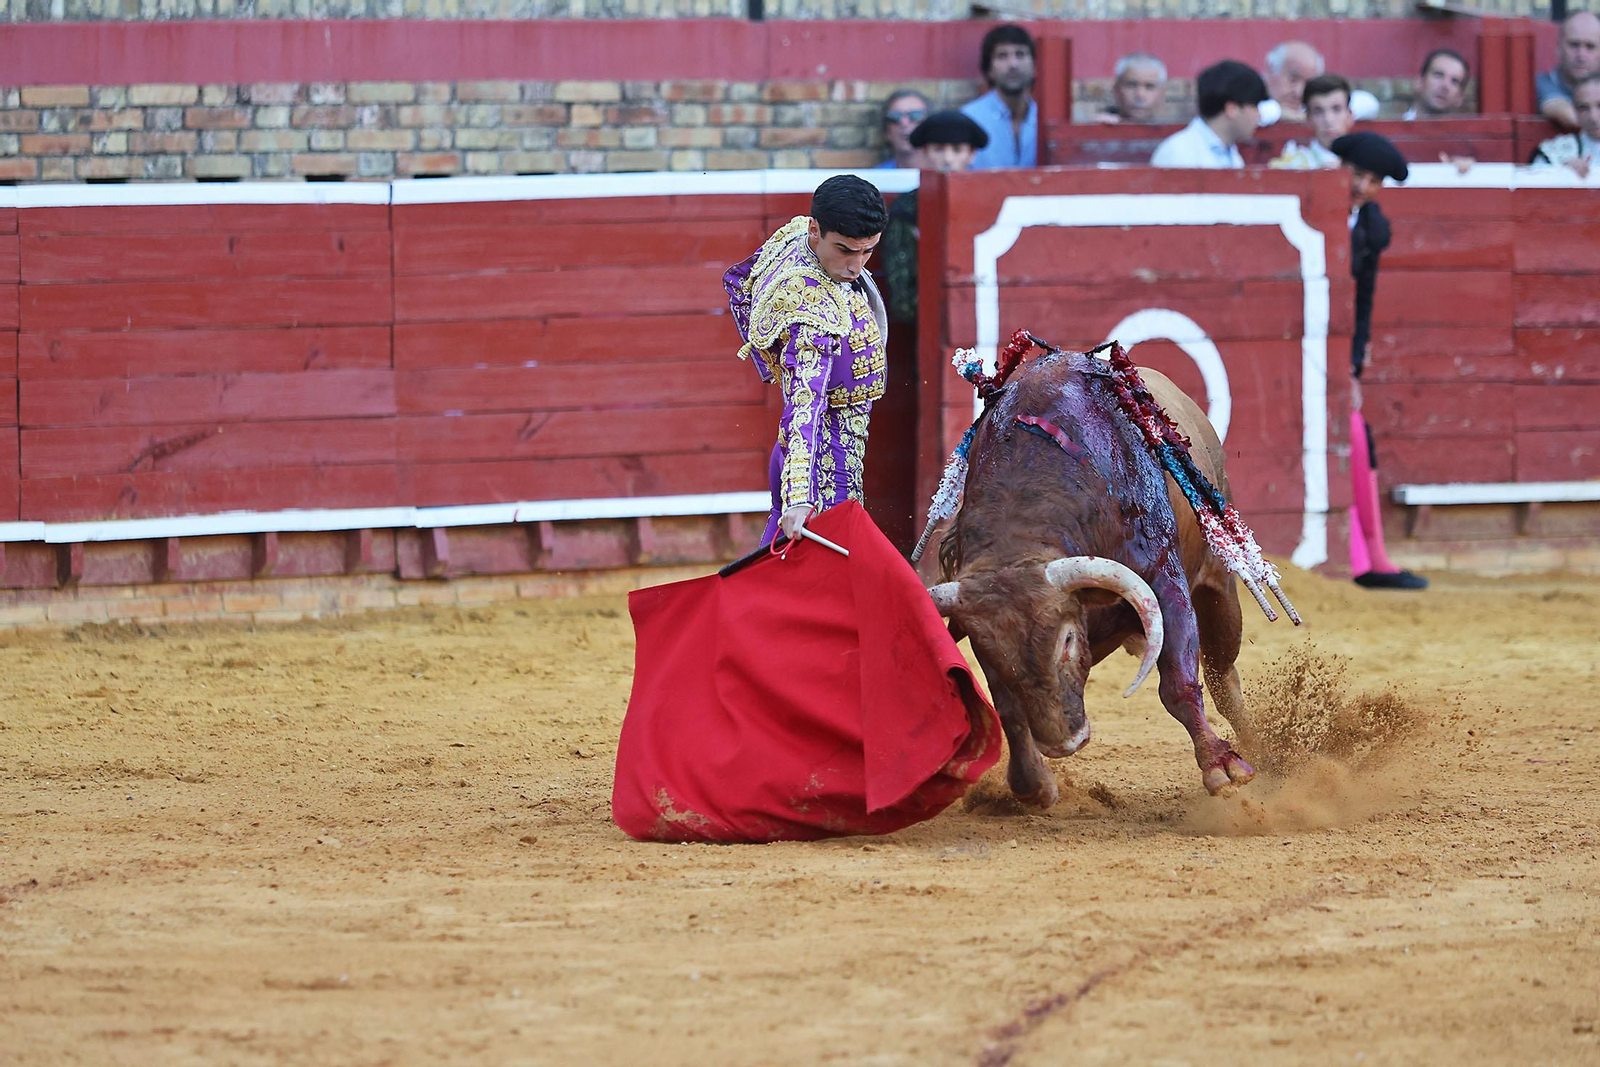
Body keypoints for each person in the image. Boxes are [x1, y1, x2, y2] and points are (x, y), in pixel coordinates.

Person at [723, 176, 890, 547]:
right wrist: (801, 497)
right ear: (817, 230)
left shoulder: (795, 236)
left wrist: (774, 365)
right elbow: (805, 405)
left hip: (801, 448)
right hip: (825, 457)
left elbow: (738, 281)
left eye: (868, 252)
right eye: (845, 250)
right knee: (832, 571)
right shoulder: (810, 309)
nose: (856, 266)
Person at [1330, 131, 1427, 591]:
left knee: (1356, 433)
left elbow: (1361, 302)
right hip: (1298, 342)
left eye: (1373, 180)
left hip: (1335, 348)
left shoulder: (1372, 227)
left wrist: (1351, 367)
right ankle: (1360, 557)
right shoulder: (1312, 206)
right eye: (1357, 173)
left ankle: (1371, 556)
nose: (1362, 185)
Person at [881, 111, 988, 327]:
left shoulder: (989, 203)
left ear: (972, 154)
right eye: (939, 149)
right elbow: (903, 302)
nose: (948, 159)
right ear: (925, 152)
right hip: (930, 323)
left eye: (957, 150)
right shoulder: (907, 210)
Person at [1150, 59, 1267, 169]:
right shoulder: (1178, 152)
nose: (1259, 116)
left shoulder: (1232, 154)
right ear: (1232, 109)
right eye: (1255, 106)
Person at [961, 24, 1038, 169]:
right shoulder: (969, 118)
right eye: (1002, 56)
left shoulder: (1045, 119)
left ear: (1034, 65)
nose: (1013, 64)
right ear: (989, 69)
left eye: (1020, 54)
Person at [1271, 73, 1356, 169]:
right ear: (1308, 119)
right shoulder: (1292, 166)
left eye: (1337, 109)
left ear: (1350, 115)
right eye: (1318, 112)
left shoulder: (1364, 162)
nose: (1328, 120)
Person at [1538, 12, 1600, 132]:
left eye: (1590, 47)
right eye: (1574, 45)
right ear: (1559, 47)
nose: (1581, 55)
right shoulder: (1542, 83)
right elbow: (1567, 115)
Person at [1531, 73, 1600, 178]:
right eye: (1583, 108)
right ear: (1575, 110)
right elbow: (1534, 188)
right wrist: (1561, 174)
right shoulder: (1555, 152)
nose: (1593, 117)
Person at [1098, 52, 1167, 123]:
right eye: (1131, 85)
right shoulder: (1098, 128)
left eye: (1149, 87)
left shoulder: (1175, 133)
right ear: (1116, 90)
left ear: (1161, 93)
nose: (1140, 95)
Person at [1405, 48, 1470, 120]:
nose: (1445, 86)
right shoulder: (1391, 130)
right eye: (1438, 75)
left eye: (1454, 81)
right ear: (1419, 82)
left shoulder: (1467, 131)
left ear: (1460, 97)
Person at [875, 89, 930, 170]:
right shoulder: (876, 178)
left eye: (915, 115)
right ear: (887, 131)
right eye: (895, 117)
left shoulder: (945, 174)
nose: (904, 123)